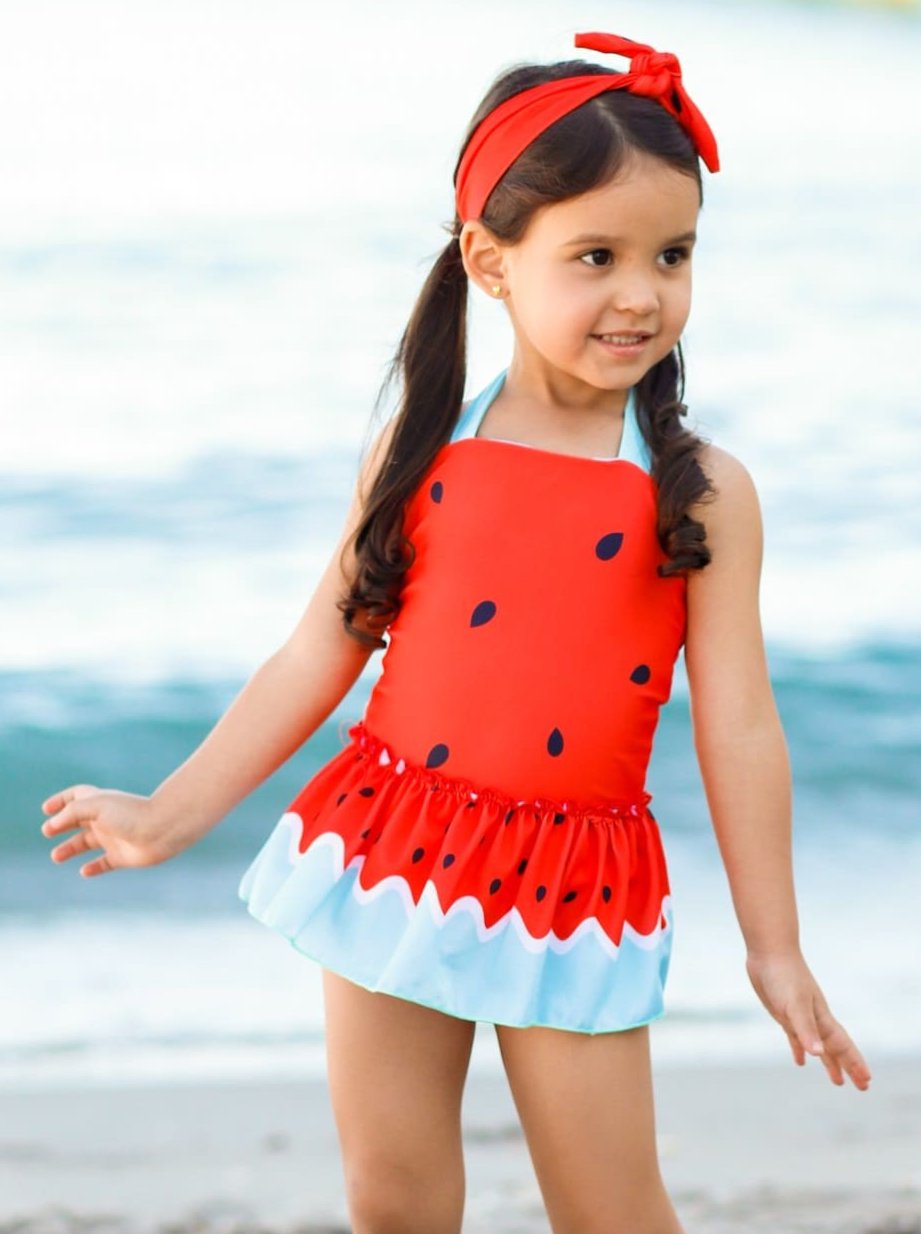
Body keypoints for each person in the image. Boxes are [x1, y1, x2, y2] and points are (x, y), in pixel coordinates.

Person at [39, 30, 872, 1234]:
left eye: (673, 254)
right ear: (492, 259)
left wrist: (775, 947)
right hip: (392, 844)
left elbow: (740, 724)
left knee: (613, 1211)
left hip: (578, 886)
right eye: (598, 255)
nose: (643, 292)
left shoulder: (700, 494)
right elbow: (317, 651)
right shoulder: (423, 452)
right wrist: (168, 815)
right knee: (395, 1198)